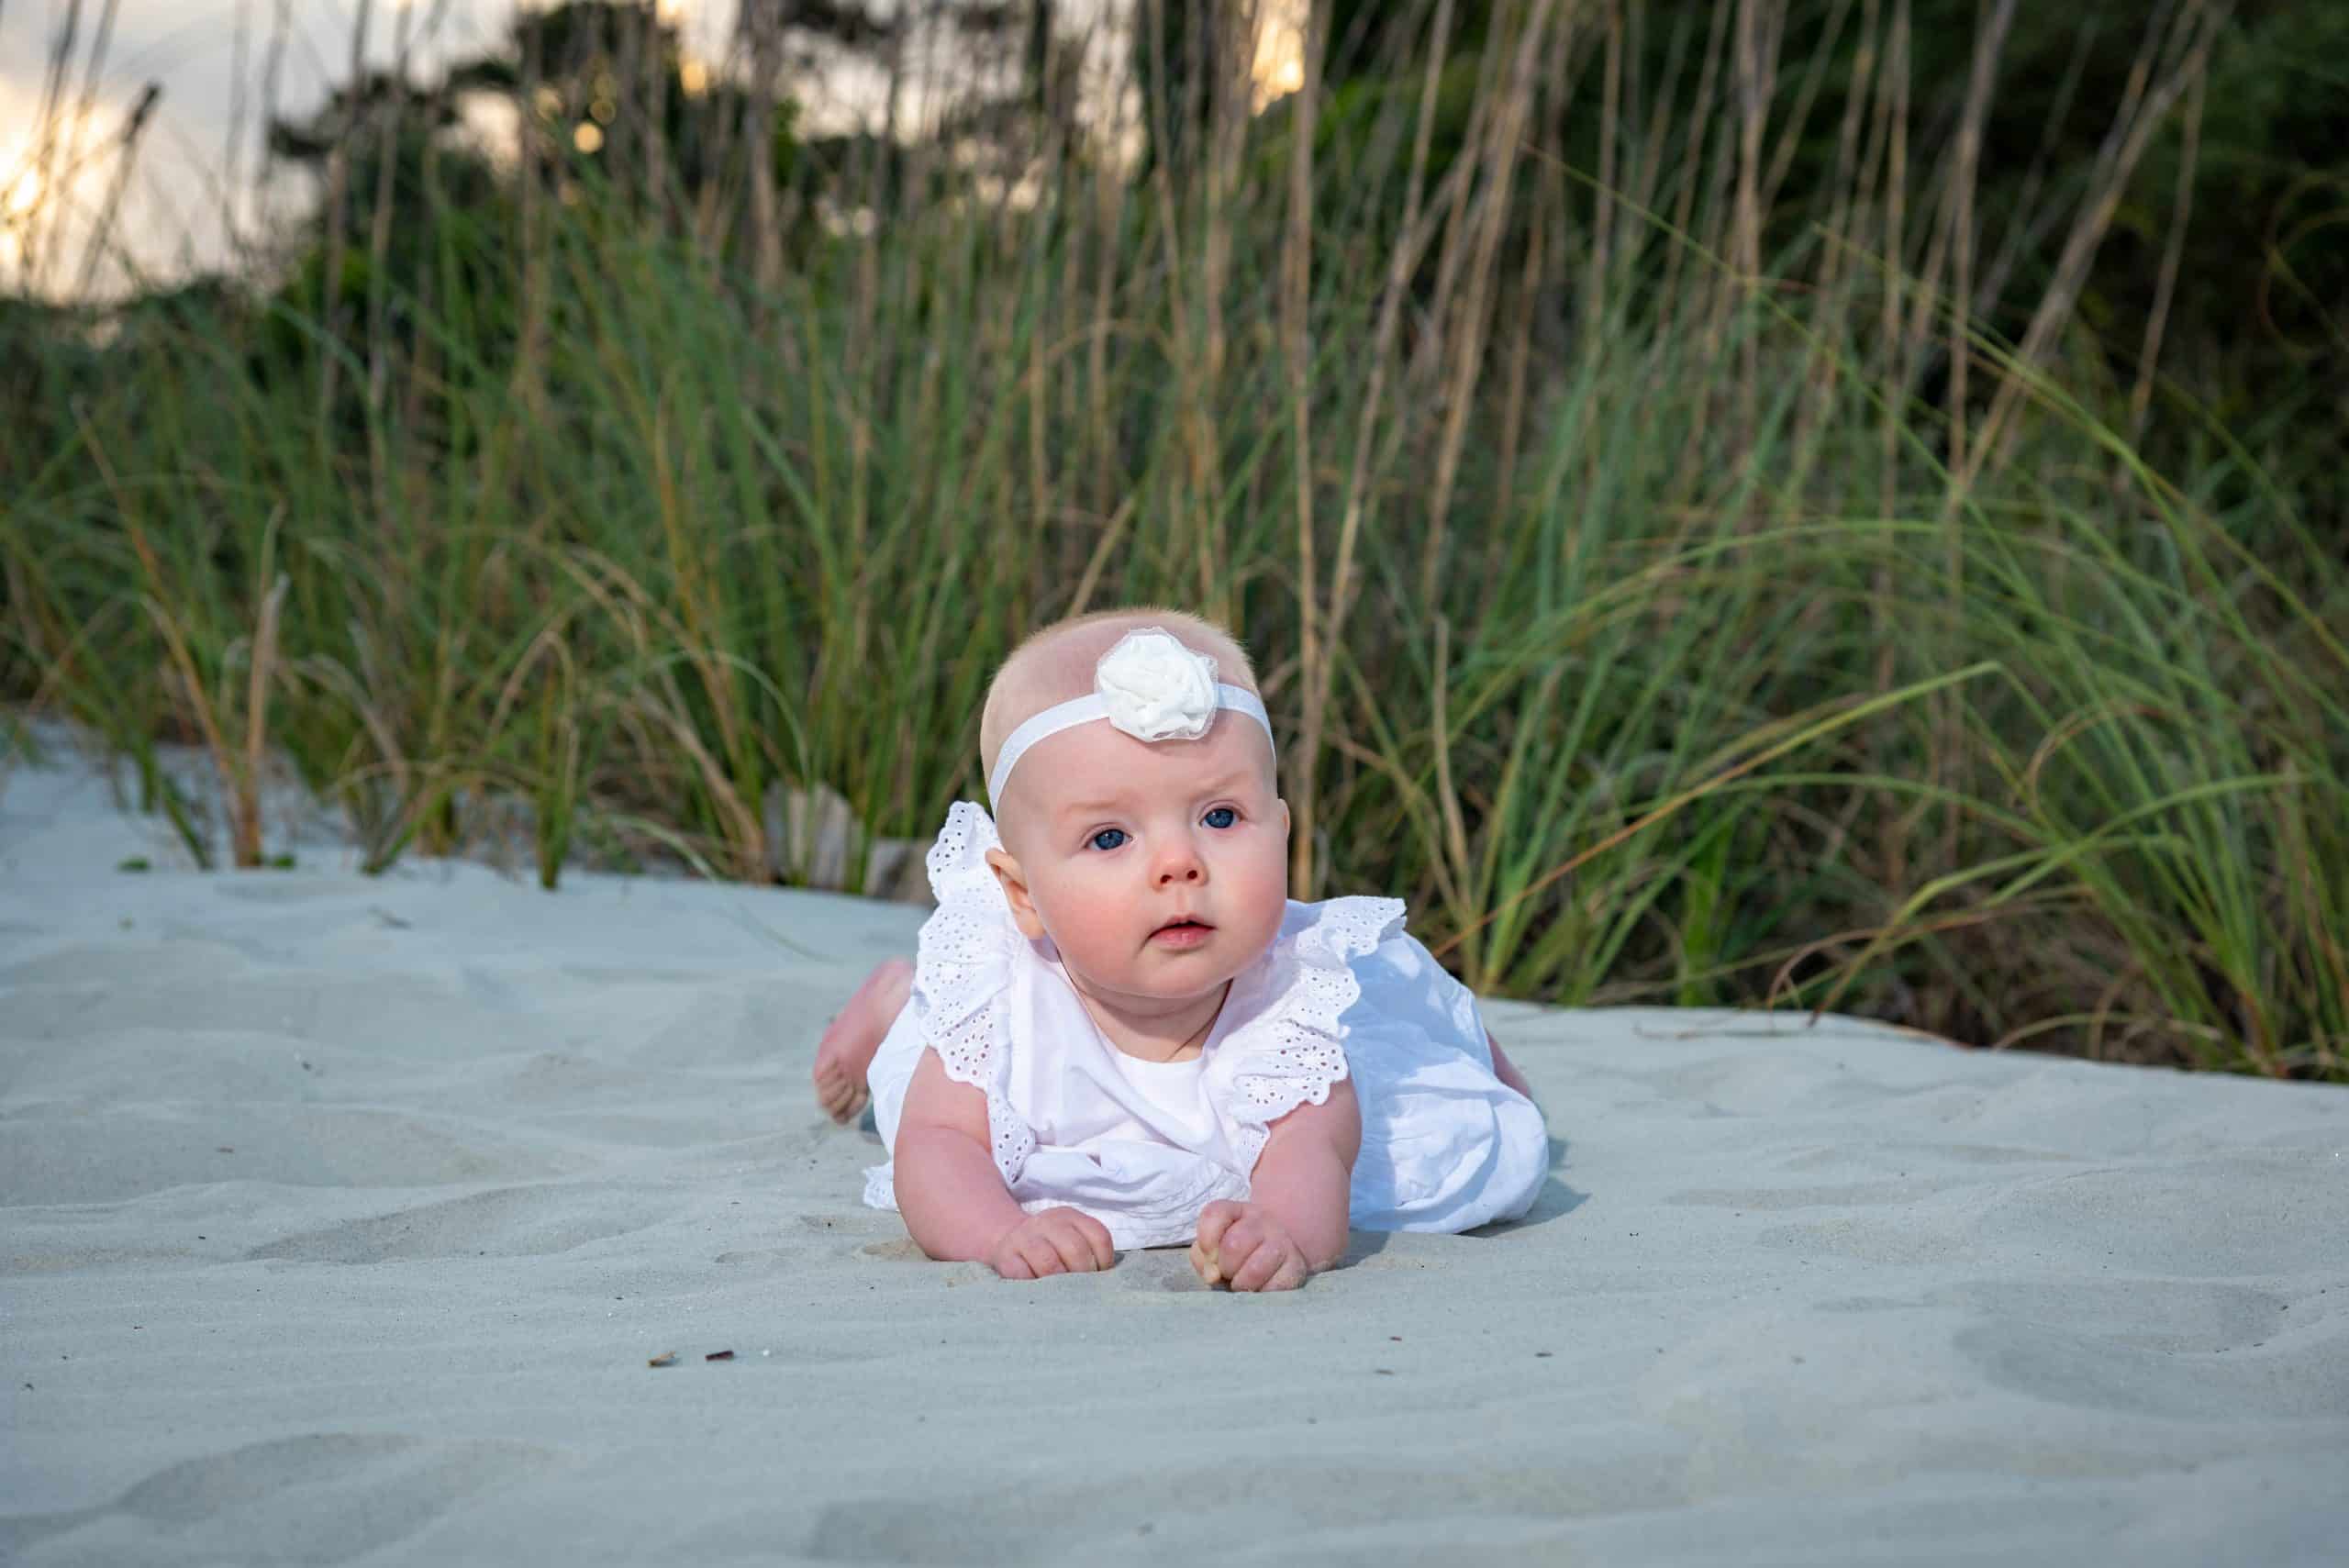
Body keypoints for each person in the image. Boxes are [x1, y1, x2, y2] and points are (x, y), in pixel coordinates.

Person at [811, 608, 1546, 1292]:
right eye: (1109, 837)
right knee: (912, 1076)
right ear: (1024, 893)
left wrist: (1282, 1228)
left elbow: (1311, 1154)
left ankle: (1484, 1052)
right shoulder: (1000, 999)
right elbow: (934, 1148)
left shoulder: (1288, 1012)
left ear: (1282, 832)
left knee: (1410, 1021)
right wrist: (1001, 1231)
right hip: (976, 1045)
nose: (1179, 863)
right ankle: (891, 998)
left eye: (1220, 816)